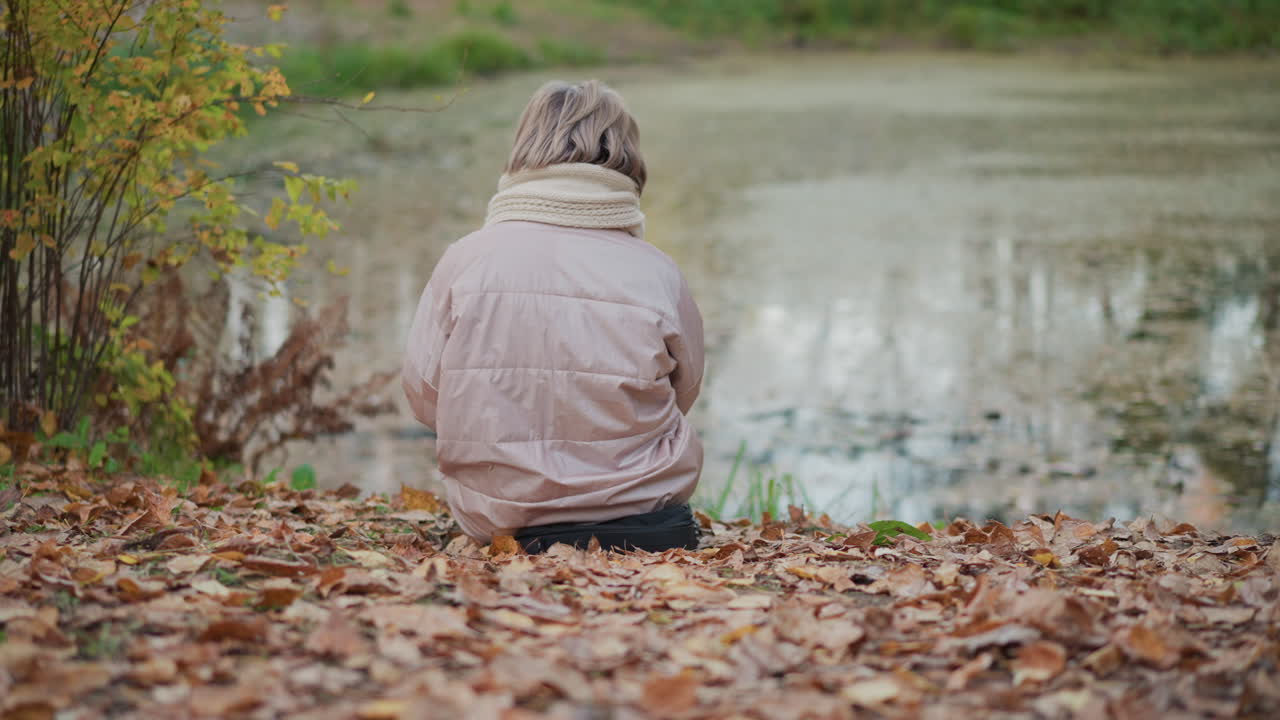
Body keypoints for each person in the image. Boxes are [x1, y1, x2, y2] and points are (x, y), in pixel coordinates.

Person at [401, 79, 705, 553]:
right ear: (627, 155)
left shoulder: (466, 260)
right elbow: (684, 391)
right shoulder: (657, 270)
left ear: (526, 145)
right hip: (644, 512)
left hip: (503, 515)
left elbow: (425, 397)